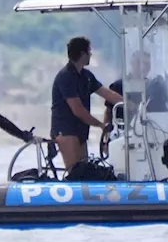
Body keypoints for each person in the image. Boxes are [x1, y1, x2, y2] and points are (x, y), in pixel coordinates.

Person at [51, 36, 123, 172]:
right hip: (66, 129)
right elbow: (78, 110)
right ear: (83, 54)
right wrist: (101, 125)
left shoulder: (86, 76)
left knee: (84, 170)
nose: (90, 54)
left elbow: (107, 94)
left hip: (81, 129)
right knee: (74, 171)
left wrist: (131, 105)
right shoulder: (65, 77)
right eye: (89, 51)